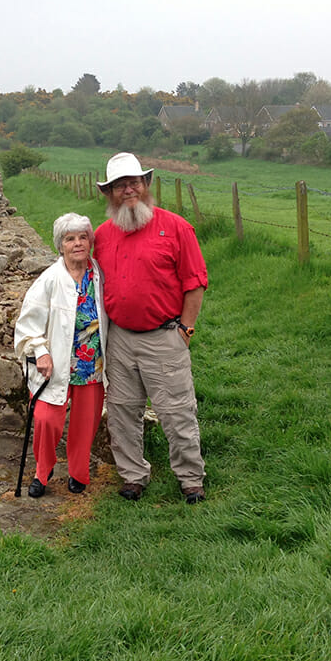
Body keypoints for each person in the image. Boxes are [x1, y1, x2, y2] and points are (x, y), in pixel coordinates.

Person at [93, 152, 209, 504]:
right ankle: (132, 476)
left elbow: (195, 282)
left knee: (176, 411)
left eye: (134, 183)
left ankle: (191, 478)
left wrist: (185, 330)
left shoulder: (175, 227)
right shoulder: (102, 235)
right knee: (122, 411)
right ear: (109, 194)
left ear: (146, 185)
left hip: (165, 335)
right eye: (119, 186)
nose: (128, 190)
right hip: (120, 339)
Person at [13, 213, 108, 498]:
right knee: (45, 419)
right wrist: (40, 352)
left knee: (85, 422)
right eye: (70, 239)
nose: (78, 243)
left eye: (83, 237)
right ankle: (43, 471)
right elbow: (27, 324)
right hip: (53, 365)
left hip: (92, 362)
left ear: (90, 241)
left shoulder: (100, 274)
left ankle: (79, 472)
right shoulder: (50, 280)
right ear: (60, 245)